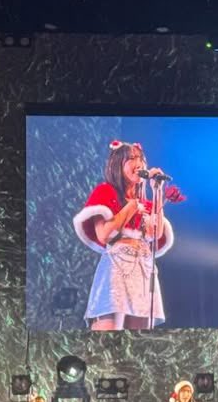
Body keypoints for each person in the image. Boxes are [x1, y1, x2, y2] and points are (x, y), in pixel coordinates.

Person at [72, 139, 175, 330]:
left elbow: (155, 233)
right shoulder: (105, 192)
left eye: (141, 158)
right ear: (117, 165)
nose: (139, 163)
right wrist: (131, 207)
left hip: (143, 270)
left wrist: (157, 191)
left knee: (138, 336)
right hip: (117, 269)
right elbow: (104, 235)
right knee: (109, 331)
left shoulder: (147, 203)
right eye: (131, 159)